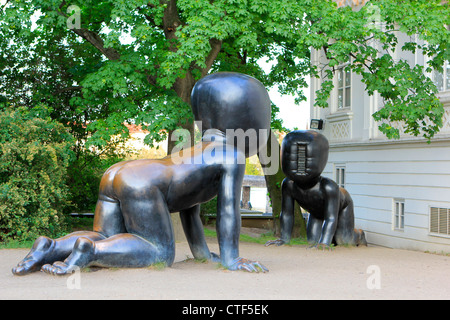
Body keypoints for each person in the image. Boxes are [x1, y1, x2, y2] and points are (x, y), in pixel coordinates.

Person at [12, 72, 271, 276]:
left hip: (119, 173)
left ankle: (51, 247)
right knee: (159, 253)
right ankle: (91, 251)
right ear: (248, 117)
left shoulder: (192, 151)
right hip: (144, 184)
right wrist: (231, 258)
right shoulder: (231, 156)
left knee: (110, 236)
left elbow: (190, 207)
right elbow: (228, 211)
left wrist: (202, 253)